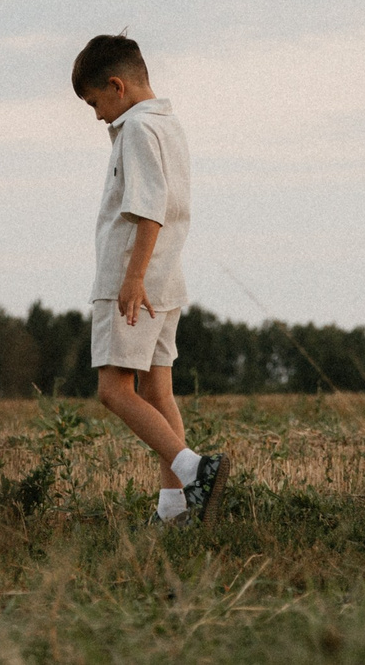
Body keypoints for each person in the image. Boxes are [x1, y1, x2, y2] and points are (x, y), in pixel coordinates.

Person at [72, 33, 229, 524]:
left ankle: (196, 470)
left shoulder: (137, 130)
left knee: (114, 390)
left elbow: (147, 211)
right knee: (159, 392)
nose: (97, 115)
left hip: (132, 278)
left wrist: (131, 279)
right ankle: (174, 510)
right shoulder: (166, 124)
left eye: (95, 102)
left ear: (116, 87)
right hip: (167, 279)